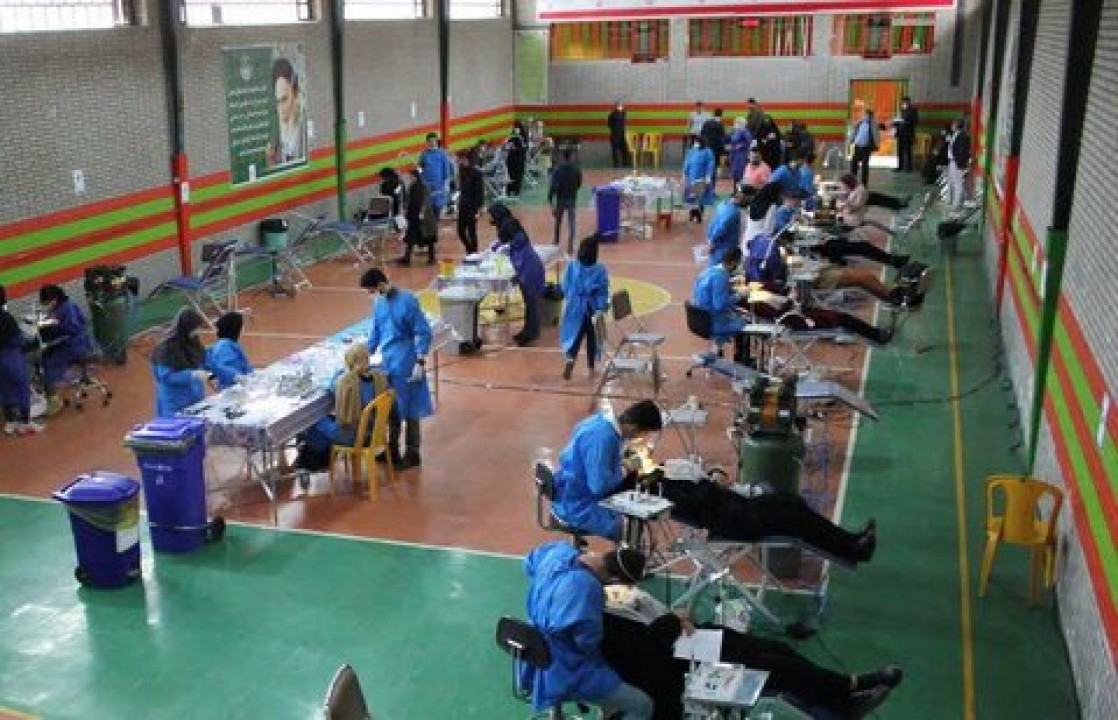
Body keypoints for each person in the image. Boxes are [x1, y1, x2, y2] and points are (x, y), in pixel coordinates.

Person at [600, 588, 903, 720]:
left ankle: (841, 695)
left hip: (685, 642)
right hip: (675, 667)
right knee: (776, 667)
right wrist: (671, 621)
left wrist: (673, 620)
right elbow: (645, 655)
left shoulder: (598, 611)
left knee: (778, 650)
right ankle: (845, 695)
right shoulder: (595, 635)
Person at [635, 468, 878, 566]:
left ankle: (850, 539)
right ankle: (852, 550)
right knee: (795, 519)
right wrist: (708, 483)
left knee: (791, 501)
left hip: (739, 507)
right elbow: (699, 500)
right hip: (735, 522)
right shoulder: (664, 496)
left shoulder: (665, 479)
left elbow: (702, 485)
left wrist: (709, 480)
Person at [522, 541, 654, 720]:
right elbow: (587, 642)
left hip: (530, 654)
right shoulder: (587, 587)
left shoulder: (559, 551)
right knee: (642, 705)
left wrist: (549, 592)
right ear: (615, 581)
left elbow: (529, 564)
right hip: (564, 669)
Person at [551, 400, 664, 541]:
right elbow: (598, 487)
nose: (639, 439)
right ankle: (624, 553)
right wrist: (625, 469)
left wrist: (620, 461)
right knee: (628, 528)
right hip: (577, 505)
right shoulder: (604, 439)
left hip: (568, 489)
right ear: (634, 428)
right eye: (642, 434)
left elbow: (595, 464)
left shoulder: (599, 422)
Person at [359, 268, 433, 469]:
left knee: (410, 408)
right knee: (392, 407)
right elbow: (375, 333)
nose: (371, 295)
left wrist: (420, 361)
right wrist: (363, 356)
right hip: (389, 362)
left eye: (371, 290)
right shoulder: (379, 304)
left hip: (407, 361)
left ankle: (413, 452)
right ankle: (392, 449)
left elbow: (423, 332)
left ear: (381, 284)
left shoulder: (407, 301)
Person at [295, 344, 390, 473]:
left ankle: (311, 461)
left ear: (348, 362)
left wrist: (341, 372)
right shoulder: (379, 377)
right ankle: (317, 461)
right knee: (325, 423)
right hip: (374, 432)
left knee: (312, 420)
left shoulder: (346, 382)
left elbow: (331, 388)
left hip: (352, 436)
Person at [488, 203, 545, 347]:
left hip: (529, 266)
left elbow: (519, 239)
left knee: (531, 302)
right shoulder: (508, 223)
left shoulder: (509, 225)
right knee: (529, 302)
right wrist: (496, 246)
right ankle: (528, 331)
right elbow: (507, 241)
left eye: (492, 215)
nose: (490, 218)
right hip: (525, 266)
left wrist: (506, 246)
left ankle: (531, 333)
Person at [37, 284, 95, 415]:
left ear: (54, 299)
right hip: (75, 341)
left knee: (47, 362)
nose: (46, 305)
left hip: (75, 345)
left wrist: (54, 325)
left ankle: (54, 402)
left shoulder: (66, 309)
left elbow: (73, 328)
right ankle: (50, 390)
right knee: (46, 354)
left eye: (46, 302)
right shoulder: (63, 305)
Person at [560, 235, 610, 381]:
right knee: (592, 338)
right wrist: (602, 305)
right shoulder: (600, 269)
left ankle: (570, 358)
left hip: (575, 308)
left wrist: (572, 296)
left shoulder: (572, 266)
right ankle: (590, 367)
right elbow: (603, 290)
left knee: (575, 336)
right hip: (591, 309)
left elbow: (565, 286)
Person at [693, 247, 750, 362]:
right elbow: (719, 305)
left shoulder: (709, 271)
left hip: (699, 317)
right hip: (712, 320)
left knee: (733, 314)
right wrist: (739, 295)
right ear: (733, 263)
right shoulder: (721, 277)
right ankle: (741, 359)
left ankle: (715, 352)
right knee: (745, 322)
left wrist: (729, 286)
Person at [150, 307, 210, 417]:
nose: (197, 332)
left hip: (195, 399)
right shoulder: (166, 349)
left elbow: (204, 359)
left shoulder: (192, 340)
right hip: (175, 404)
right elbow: (167, 377)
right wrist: (192, 374)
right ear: (187, 328)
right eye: (195, 329)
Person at [0, 284, 41, 435]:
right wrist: (29, 334)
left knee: (4, 390)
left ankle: (10, 423)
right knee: (21, 388)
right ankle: (25, 423)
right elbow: (17, 339)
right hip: (11, 357)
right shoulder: (6, 317)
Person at [395, 168, 438, 266]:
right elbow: (408, 199)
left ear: (415, 177)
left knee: (428, 237)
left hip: (424, 216)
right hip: (413, 215)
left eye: (411, 177)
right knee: (411, 237)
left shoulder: (424, 186)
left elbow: (426, 200)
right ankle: (407, 258)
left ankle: (432, 258)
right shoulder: (412, 186)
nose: (410, 178)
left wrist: (422, 211)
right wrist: (406, 210)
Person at [269, 57, 306, 167]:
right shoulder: (276, 138)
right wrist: (271, 160)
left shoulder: (304, 132)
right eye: (278, 102)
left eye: (284, 99)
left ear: (296, 93)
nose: (281, 109)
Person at [204, 311, 253, 390]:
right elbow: (219, 367)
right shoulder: (223, 346)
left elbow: (244, 364)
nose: (243, 328)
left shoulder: (232, 343)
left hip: (239, 386)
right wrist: (235, 376)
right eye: (242, 325)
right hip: (231, 388)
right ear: (235, 327)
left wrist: (252, 373)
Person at [548, 149, 583, 253]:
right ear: (571, 157)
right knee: (572, 224)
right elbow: (579, 184)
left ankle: (556, 242)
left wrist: (551, 200)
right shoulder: (576, 170)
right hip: (572, 198)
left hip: (560, 199)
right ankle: (570, 247)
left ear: (562, 157)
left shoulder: (557, 170)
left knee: (558, 222)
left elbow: (553, 186)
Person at [705, 187, 748, 267]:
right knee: (720, 268)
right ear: (737, 197)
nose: (744, 199)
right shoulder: (733, 212)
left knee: (714, 266)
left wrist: (710, 239)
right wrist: (712, 242)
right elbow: (720, 229)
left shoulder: (722, 205)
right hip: (724, 247)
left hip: (719, 245)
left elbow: (713, 223)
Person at [418, 133, 455, 223]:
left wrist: (446, 183)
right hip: (426, 184)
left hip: (439, 184)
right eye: (430, 141)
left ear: (436, 141)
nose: (432, 143)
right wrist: (420, 174)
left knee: (437, 205)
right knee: (427, 205)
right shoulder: (424, 154)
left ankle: (435, 222)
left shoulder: (442, 154)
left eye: (433, 141)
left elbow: (446, 169)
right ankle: (429, 223)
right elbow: (420, 167)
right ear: (427, 142)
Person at [455, 151, 484, 254]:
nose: (458, 161)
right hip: (463, 205)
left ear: (465, 159)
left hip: (472, 207)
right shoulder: (461, 171)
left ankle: (474, 253)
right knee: (460, 230)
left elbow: (480, 193)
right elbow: (461, 189)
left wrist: (478, 209)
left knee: (472, 232)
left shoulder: (476, 173)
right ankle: (469, 249)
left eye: (459, 159)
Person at [682, 137, 716, 223]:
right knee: (691, 197)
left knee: (700, 198)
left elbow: (710, 164)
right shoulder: (691, 151)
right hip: (691, 177)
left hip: (701, 178)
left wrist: (708, 175)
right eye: (695, 142)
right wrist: (685, 173)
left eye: (697, 142)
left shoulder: (708, 152)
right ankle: (692, 214)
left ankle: (699, 215)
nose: (695, 144)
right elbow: (687, 162)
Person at [849, 109, 880, 187]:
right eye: (864, 115)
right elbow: (854, 131)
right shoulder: (860, 123)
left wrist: (876, 145)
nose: (865, 116)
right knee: (853, 164)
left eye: (867, 115)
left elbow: (877, 134)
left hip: (866, 148)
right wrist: (851, 140)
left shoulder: (873, 124)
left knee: (864, 166)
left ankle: (864, 184)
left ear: (871, 117)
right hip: (856, 146)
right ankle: (852, 182)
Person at [946, 117, 971, 212]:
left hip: (958, 163)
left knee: (958, 184)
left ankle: (957, 204)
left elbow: (963, 152)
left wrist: (960, 164)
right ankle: (951, 201)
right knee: (952, 181)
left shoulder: (964, 136)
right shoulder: (955, 134)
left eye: (953, 124)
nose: (952, 126)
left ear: (957, 125)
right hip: (952, 161)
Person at [699, 109, 727, 187]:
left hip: (705, 149)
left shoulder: (706, 123)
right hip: (715, 151)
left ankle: (704, 188)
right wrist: (723, 151)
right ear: (721, 116)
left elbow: (701, 135)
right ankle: (711, 189)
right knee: (713, 169)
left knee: (705, 168)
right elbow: (721, 140)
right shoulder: (720, 125)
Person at [894, 97, 919, 173]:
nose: (903, 104)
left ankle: (909, 167)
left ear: (908, 102)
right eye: (902, 103)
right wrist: (896, 122)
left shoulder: (913, 110)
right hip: (900, 134)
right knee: (900, 151)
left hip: (908, 133)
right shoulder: (901, 110)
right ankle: (900, 166)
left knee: (908, 151)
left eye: (904, 102)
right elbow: (898, 121)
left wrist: (905, 121)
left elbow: (915, 121)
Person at [727, 117, 752, 187]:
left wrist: (742, 145)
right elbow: (731, 140)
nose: (735, 124)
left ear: (742, 124)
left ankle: (740, 190)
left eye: (737, 122)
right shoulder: (735, 131)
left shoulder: (745, 131)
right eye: (735, 122)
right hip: (734, 154)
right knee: (735, 173)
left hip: (741, 155)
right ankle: (735, 190)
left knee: (740, 173)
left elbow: (749, 142)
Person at [506, 122, 528, 197]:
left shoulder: (523, 136)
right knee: (510, 174)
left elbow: (525, 147)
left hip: (519, 158)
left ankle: (516, 190)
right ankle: (510, 190)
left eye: (517, 127)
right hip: (512, 158)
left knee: (517, 175)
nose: (516, 129)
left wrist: (517, 148)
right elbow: (507, 145)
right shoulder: (511, 135)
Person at [607, 102, 630, 168]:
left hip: (619, 134)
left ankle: (622, 163)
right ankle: (620, 163)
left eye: (620, 106)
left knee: (622, 149)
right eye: (619, 106)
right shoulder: (615, 114)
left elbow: (609, 124)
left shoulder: (622, 114)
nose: (620, 107)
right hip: (617, 134)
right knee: (617, 150)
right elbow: (609, 124)